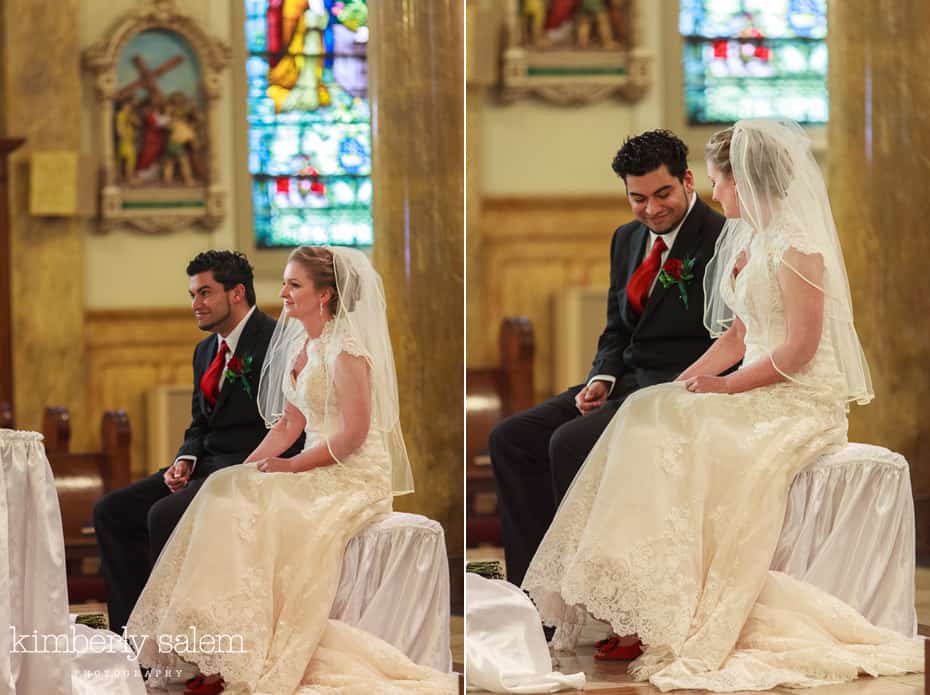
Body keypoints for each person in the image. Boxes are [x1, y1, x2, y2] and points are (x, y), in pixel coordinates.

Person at [521, 119, 922, 690]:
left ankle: (664, 601)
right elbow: (735, 339)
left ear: (748, 181)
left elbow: (800, 350)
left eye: (719, 182)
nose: (716, 193)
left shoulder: (798, 248)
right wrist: (681, 388)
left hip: (799, 400)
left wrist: (727, 389)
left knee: (677, 431)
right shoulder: (754, 240)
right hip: (759, 383)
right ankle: (634, 596)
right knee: (646, 411)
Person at [125, 247, 455, 695]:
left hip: (353, 474)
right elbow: (289, 423)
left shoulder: (347, 351)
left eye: (293, 285)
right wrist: (248, 469)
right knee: (226, 491)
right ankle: (211, 644)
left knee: (261, 510)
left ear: (324, 295)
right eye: (284, 283)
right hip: (315, 463)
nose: (282, 293)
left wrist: (290, 467)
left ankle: (247, 647)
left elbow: (354, 435)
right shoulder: (304, 344)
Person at [490, 130, 725, 591]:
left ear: (688, 180)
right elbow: (616, 329)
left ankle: (588, 585)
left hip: (677, 392)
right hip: (624, 384)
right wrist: (602, 376)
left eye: (663, 194)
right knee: (511, 438)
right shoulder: (626, 239)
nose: (652, 209)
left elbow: (726, 339)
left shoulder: (720, 238)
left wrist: (669, 390)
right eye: (637, 198)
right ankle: (533, 591)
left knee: (568, 443)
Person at [94, 250, 289, 637]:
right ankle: (132, 632)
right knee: (111, 511)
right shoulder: (205, 350)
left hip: (248, 470)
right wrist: (184, 459)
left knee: (163, 514)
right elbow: (200, 423)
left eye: (204, 293)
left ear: (236, 293)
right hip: (204, 467)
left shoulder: (274, 343)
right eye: (192, 295)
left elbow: (283, 427)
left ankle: (181, 634)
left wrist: (231, 470)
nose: (195, 305)